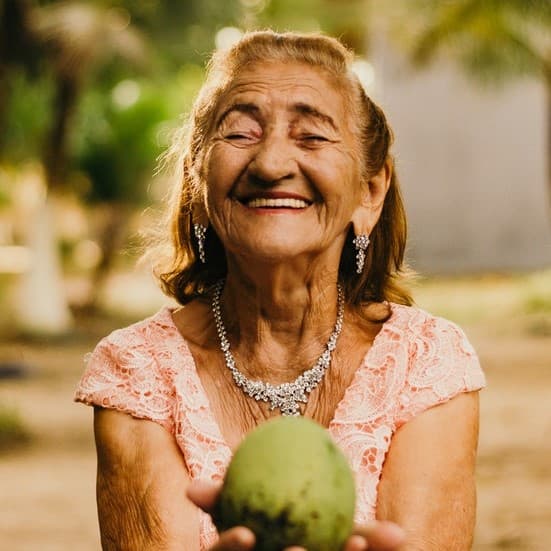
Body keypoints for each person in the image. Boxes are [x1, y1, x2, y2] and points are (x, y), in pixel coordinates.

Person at [74, 30, 486, 550]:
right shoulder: (137, 375)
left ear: (369, 192)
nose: (271, 165)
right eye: (241, 133)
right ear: (199, 183)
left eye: (312, 137)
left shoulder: (426, 366)